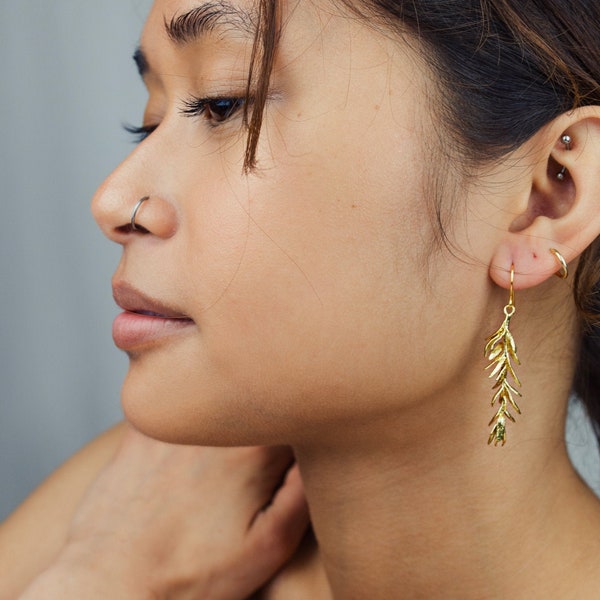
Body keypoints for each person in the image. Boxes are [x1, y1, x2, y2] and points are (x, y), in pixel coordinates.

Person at [2, 0, 600, 597]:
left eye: (223, 104)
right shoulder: (131, 509)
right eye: (151, 119)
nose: (113, 201)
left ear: (546, 197)